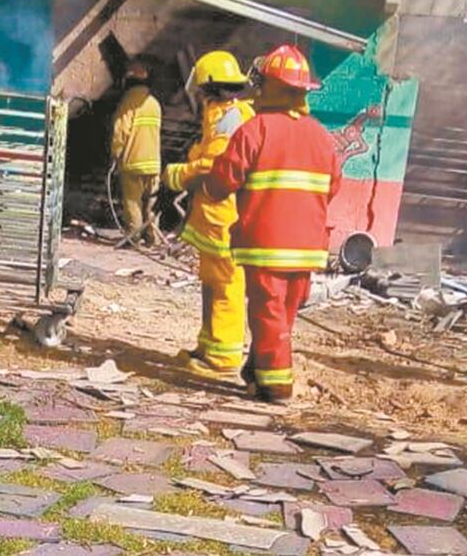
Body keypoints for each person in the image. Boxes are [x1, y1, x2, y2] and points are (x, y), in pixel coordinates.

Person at [205, 44, 341, 404]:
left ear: (269, 87)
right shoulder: (322, 136)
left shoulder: (255, 130)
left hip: (266, 245)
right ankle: (257, 368)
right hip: (308, 246)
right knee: (282, 314)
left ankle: (277, 386)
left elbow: (221, 182)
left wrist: (202, 185)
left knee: (268, 312)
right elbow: (333, 187)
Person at [163, 52, 255, 380]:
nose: (199, 93)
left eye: (202, 87)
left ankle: (223, 358)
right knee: (212, 282)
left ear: (211, 86)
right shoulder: (222, 113)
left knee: (226, 284)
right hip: (214, 214)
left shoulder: (232, 117)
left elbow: (216, 165)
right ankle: (208, 347)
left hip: (225, 216)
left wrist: (179, 174)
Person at [111, 60, 162, 245]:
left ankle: (134, 237)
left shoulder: (129, 102)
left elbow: (120, 132)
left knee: (133, 202)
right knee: (152, 203)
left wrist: (115, 154)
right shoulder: (154, 103)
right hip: (153, 163)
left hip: (133, 162)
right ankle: (154, 237)